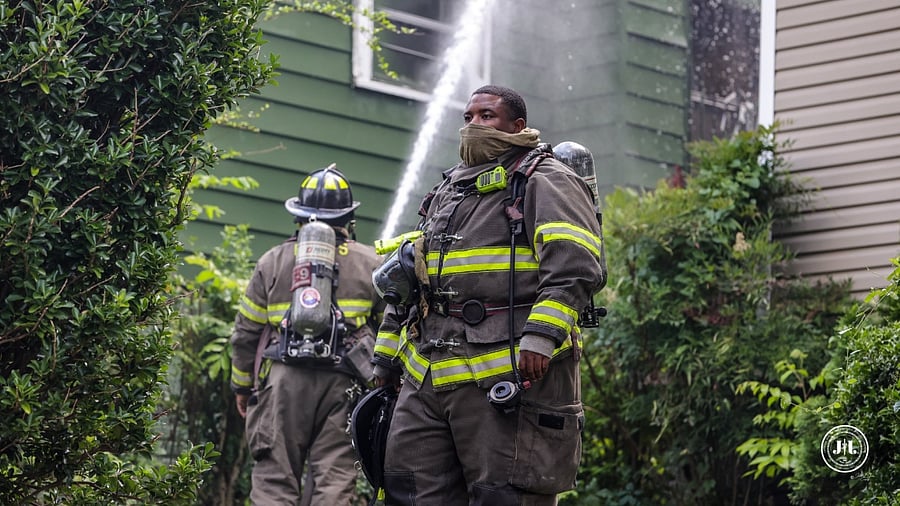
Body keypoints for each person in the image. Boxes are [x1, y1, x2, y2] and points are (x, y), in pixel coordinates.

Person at [370, 85, 606, 505]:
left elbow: (574, 266)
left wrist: (541, 337)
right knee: (407, 489)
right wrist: (386, 358)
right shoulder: (448, 190)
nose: (473, 125)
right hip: (425, 374)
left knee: (503, 495)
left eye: (487, 116)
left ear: (518, 126)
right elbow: (412, 281)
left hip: (506, 376)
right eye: (468, 117)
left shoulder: (545, 180)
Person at [230, 166, 385, 505]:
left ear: (298, 216)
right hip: (345, 381)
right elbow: (390, 329)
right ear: (348, 218)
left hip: (283, 382)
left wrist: (242, 386)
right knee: (335, 476)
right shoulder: (372, 263)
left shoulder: (273, 260)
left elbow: (245, 332)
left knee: (275, 478)